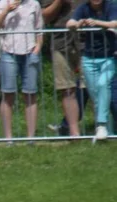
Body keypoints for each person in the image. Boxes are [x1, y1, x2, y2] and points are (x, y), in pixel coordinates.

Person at [0, 0, 44, 141]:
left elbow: (39, 28)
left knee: (30, 94)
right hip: (8, 52)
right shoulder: (3, 3)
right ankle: (8, 137)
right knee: (8, 94)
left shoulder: (34, 4)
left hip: (30, 52)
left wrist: (37, 48)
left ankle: (30, 137)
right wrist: (6, 11)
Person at [67, 0, 117, 140]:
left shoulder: (111, 6)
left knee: (103, 85)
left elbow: (115, 23)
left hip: (109, 57)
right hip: (89, 57)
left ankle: (101, 125)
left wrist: (98, 23)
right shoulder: (84, 7)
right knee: (97, 96)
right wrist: (78, 24)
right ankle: (107, 129)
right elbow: (69, 23)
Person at [42, 0, 86, 137]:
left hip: (87, 41)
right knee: (67, 89)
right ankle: (73, 132)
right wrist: (58, 2)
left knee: (95, 86)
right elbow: (45, 17)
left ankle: (102, 128)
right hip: (61, 43)